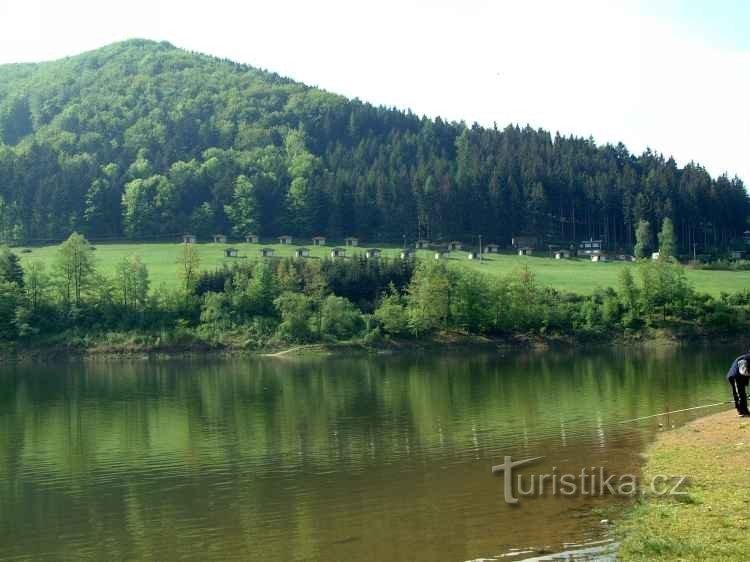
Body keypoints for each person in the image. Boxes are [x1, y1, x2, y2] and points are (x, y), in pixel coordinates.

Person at [727, 351, 750, 417]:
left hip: (741, 377)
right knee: (739, 394)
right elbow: (743, 371)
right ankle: (741, 412)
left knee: (743, 394)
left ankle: (745, 411)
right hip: (735, 376)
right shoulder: (744, 359)